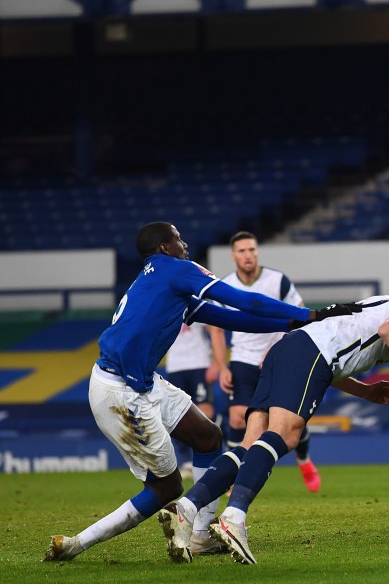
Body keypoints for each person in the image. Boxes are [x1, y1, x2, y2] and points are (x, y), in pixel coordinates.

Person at [44, 222, 320, 562]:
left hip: (139, 381)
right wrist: (307, 314)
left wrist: (293, 323)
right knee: (167, 488)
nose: (185, 243)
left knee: (208, 437)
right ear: (164, 247)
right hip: (120, 390)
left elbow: (232, 319)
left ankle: (201, 535)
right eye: (177, 238)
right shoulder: (177, 270)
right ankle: (75, 544)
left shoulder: (160, 281)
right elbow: (243, 302)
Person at [159, 290, 389, 564]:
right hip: (309, 352)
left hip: (289, 348)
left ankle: (186, 508)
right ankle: (233, 517)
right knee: (285, 434)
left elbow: (339, 353)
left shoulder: (386, 305)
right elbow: (388, 331)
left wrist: (366, 391)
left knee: (250, 444)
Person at [220, 231, 321, 493]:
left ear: (257, 253)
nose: (248, 255)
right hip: (242, 358)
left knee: (290, 421)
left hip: (278, 359)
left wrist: (281, 347)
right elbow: (216, 328)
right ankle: (236, 475)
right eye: (242, 251)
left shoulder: (278, 281)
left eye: (252, 250)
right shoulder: (226, 285)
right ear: (233, 256)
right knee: (237, 420)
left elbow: (300, 315)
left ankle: (304, 458)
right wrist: (222, 366)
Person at [163, 321, 230, 554]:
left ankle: (208, 462)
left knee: (204, 415)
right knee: (176, 419)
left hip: (199, 363)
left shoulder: (195, 299)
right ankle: (187, 463)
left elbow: (214, 328)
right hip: (175, 366)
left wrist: (214, 362)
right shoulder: (167, 303)